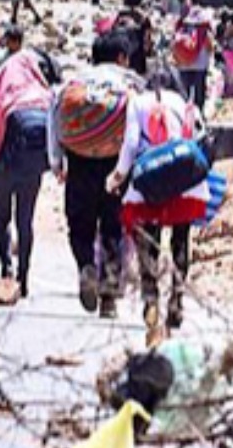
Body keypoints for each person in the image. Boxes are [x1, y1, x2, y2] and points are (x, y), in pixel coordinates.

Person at [107, 66, 212, 330]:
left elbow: (131, 143)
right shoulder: (185, 103)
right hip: (183, 181)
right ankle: (176, 299)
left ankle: (150, 297)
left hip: (149, 179)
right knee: (181, 239)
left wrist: (118, 176)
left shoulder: (137, 103)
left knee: (148, 240)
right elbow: (199, 138)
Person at [48, 32, 142, 318]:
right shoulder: (130, 85)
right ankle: (109, 298)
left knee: (80, 224)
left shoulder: (74, 83)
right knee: (113, 228)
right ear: (122, 58)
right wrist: (126, 170)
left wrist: (56, 162)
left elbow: (53, 119)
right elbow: (136, 132)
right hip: (115, 165)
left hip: (79, 162)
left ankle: (86, 266)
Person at [0, 50, 52, 298]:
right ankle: (24, 276)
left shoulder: (0, 88)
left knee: (2, 217)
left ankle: (7, 266)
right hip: (33, 169)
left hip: (5, 165)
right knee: (25, 220)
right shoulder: (43, 96)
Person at [173, 7, 215, 114]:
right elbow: (210, 48)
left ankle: (184, 112)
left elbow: (174, 47)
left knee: (184, 92)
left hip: (183, 65)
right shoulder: (204, 32)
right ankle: (198, 113)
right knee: (199, 92)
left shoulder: (181, 30)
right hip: (200, 66)